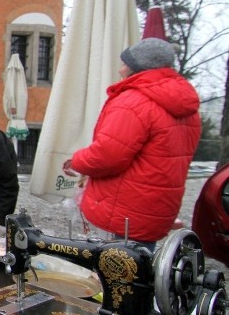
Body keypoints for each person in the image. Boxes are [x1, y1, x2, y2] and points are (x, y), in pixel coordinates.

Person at [63, 38, 201, 245]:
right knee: (140, 262)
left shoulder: (135, 101)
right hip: (158, 206)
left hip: (125, 208)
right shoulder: (186, 106)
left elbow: (107, 156)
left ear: (138, 66)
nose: (120, 71)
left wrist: (77, 161)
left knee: (118, 267)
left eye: (124, 64)